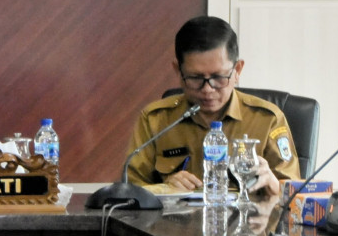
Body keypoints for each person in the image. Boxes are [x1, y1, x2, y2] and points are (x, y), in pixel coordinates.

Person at [124, 16, 299, 197]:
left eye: (218, 77)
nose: (208, 89)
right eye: (195, 78)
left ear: (237, 70)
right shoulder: (156, 120)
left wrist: (271, 182)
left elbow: (295, 196)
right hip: (173, 223)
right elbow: (130, 189)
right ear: (178, 71)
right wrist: (165, 187)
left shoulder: (267, 119)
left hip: (249, 222)